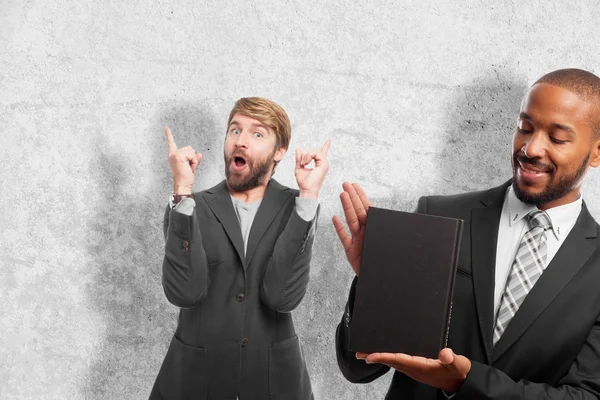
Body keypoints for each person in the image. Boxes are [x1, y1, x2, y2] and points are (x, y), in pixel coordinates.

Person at [334, 68, 600, 399]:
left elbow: (587, 395)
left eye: (557, 138)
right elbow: (358, 369)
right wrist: (374, 288)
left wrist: (466, 383)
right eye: (524, 128)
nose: (531, 149)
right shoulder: (438, 215)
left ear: (597, 152)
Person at [150, 97, 330, 400]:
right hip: (194, 380)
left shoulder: (297, 207)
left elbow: (282, 297)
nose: (240, 142)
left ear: (279, 152)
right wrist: (182, 191)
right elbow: (184, 293)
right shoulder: (192, 207)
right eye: (235, 130)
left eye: (257, 134)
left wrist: (309, 195)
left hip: (275, 382)